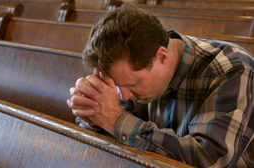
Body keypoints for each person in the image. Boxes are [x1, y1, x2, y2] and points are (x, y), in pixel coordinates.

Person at [66, 5, 254, 167]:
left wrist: (115, 121)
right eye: (116, 85)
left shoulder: (232, 70)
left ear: (162, 56)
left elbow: (209, 160)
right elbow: (119, 130)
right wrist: (94, 114)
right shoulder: (128, 73)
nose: (123, 96)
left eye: (132, 85)